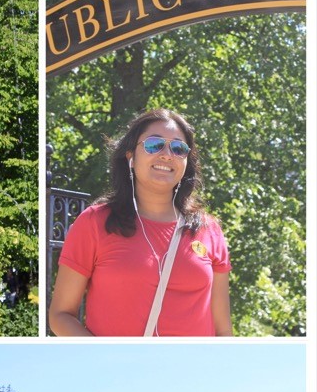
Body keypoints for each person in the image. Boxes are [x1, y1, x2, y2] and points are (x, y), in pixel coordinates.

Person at [48, 108, 232, 337]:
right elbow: (60, 315)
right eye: (154, 145)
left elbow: (223, 331)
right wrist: (106, 360)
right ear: (130, 157)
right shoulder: (94, 223)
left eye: (178, 148)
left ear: (186, 163)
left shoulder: (209, 231)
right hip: (122, 370)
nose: (167, 154)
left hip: (191, 371)